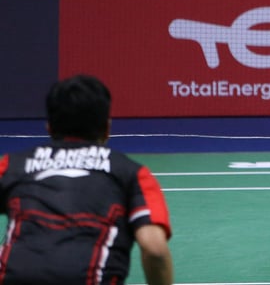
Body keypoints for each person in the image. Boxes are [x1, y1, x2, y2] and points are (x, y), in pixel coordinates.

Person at [0, 74, 174, 285]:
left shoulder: (11, 165)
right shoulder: (132, 174)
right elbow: (154, 249)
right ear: (107, 128)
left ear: (49, 128)